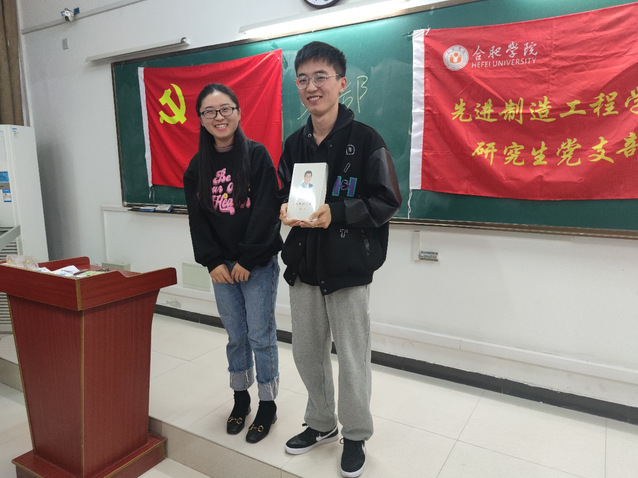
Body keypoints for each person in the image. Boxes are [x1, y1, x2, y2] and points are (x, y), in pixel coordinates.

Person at [278, 42, 402, 478]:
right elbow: (282, 191)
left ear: (341, 83)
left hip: (348, 268)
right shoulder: (294, 143)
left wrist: (339, 212)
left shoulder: (366, 140)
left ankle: (356, 434)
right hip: (304, 266)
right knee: (307, 353)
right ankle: (321, 423)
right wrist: (282, 207)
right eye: (303, 79)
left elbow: (387, 200)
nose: (311, 87)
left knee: (351, 357)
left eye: (321, 77)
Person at [183, 83, 282, 444]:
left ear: (238, 113)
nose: (219, 117)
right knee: (236, 336)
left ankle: (267, 404)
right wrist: (212, 261)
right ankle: (241, 398)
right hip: (221, 269)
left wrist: (248, 258)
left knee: (260, 335)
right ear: (201, 120)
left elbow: (267, 211)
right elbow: (198, 220)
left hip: (256, 264)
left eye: (225, 109)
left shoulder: (256, 156)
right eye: (210, 112)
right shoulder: (197, 167)